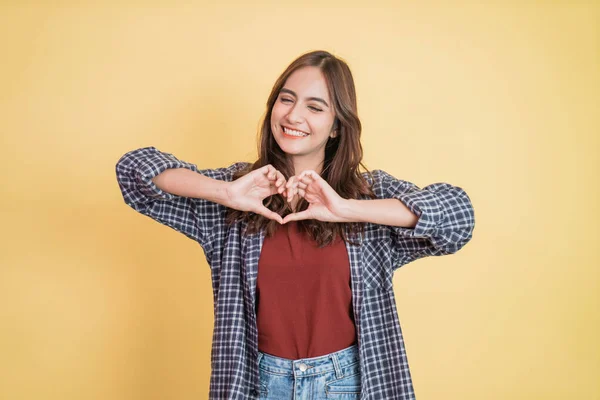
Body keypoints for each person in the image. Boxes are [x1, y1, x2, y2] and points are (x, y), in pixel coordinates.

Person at [115, 50, 475, 400]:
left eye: (315, 107)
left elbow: (458, 217)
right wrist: (224, 192)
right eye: (286, 100)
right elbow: (134, 171)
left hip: (349, 383)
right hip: (258, 383)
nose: (294, 115)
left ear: (336, 127)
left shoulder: (367, 197)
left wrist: (347, 209)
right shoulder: (238, 194)